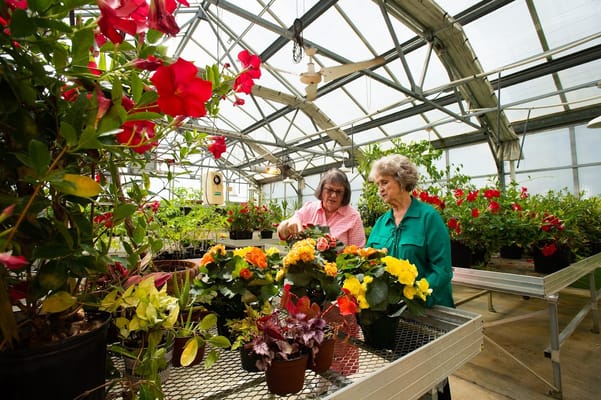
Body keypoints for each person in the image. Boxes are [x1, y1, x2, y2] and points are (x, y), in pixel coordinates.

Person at [365, 154, 454, 400]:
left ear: (402, 181)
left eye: (384, 182)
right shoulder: (382, 223)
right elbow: (369, 264)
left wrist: (415, 294)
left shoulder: (428, 218)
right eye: (378, 184)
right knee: (404, 377)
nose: (380, 189)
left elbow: (443, 270)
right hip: (391, 316)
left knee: (434, 379)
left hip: (426, 313)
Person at [277, 168, 366, 247]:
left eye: (339, 192)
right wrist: (288, 223)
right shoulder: (309, 209)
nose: (334, 195)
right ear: (321, 189)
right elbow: (282, 233)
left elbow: (356, 253)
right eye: (330, 190)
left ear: (345, 194)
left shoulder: (353, 217)